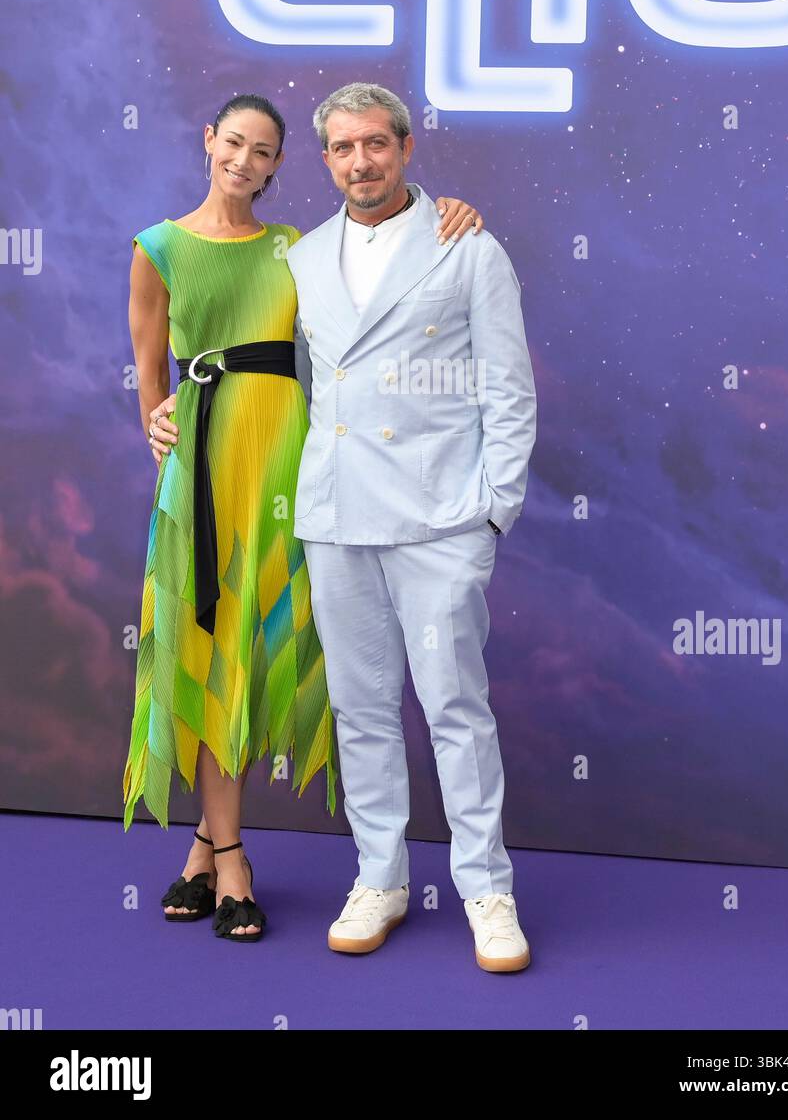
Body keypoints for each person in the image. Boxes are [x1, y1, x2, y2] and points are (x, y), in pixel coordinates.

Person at [124, 92, 482, 942]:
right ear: (207, 141)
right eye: (234, 144)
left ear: (283, 166)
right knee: (212, 647)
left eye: (265, 153)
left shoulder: (298, 249)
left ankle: (203, 851)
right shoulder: (158, 248)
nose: (245, 161)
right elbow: (148, 372)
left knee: (255, 645)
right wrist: (154, 418)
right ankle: (235, 857)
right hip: (205, 468)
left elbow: (381, 245)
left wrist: (456, 211)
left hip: (291, 467)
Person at [286, 82, 537, 972]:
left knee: (455, 709)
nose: (361, 162)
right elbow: (290, 382)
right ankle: (380, 876)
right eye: (343, 148)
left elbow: (508, 390)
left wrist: (491, 513)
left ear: (405, 147)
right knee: (360, 710)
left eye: (376, 145)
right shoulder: (304, 258)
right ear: (326, 160)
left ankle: (485, 889)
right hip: (336, 514)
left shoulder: (468, 246)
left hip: (440, 520)